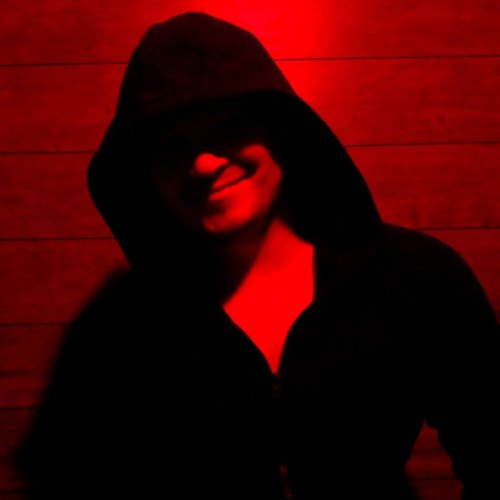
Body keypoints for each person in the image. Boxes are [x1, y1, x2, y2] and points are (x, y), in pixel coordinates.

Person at [15, 12, 499, 500]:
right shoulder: (121, 324)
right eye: (171, 149)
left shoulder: (414, 277)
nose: (203, 163)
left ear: (282, 132)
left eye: (225, 129)